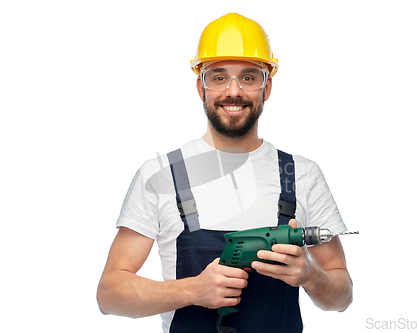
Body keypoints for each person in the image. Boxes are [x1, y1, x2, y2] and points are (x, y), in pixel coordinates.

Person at [97, 12, 353, 333]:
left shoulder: (302, 174)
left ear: (267, 87)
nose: (234, 91)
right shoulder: (161, 175)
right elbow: (109, 296)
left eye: (249, 77)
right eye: (218, 77)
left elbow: (342, 296)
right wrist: (193, 290)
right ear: (200, 88)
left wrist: (311, 276)